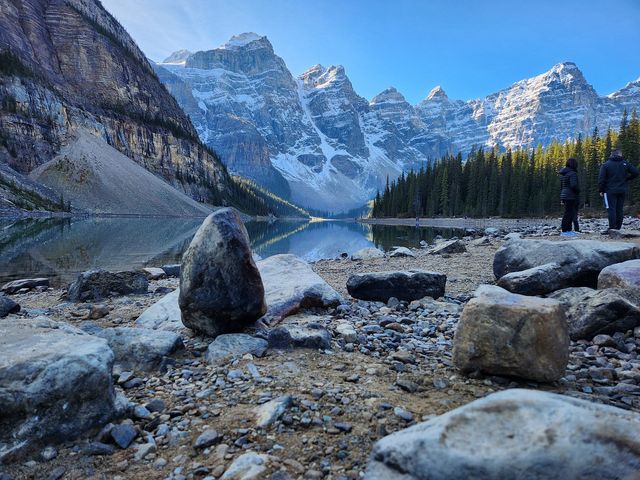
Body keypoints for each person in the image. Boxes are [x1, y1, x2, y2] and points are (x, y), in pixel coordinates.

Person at [598, 149, 639, 232]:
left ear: (611, 155)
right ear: (620, 155)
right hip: (622, 190)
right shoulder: (625, 163)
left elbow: (601, 179)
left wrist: (601, 190)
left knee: (611, 209)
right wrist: (627, 179)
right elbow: (636, 172)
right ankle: (618, 228)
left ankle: (612, 228)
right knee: (619, 209)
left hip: (609, 190)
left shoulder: (606, 165)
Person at [560, 158, 580, 237]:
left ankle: (567, 230)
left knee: (567, 213)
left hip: (564, 195)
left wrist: (561, 197)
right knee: (570, 214)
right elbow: (573, 185)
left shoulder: (564, 173)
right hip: (571, 196)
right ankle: (566, 231)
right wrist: (578, 191)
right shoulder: (573, 173)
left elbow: (562, 186)